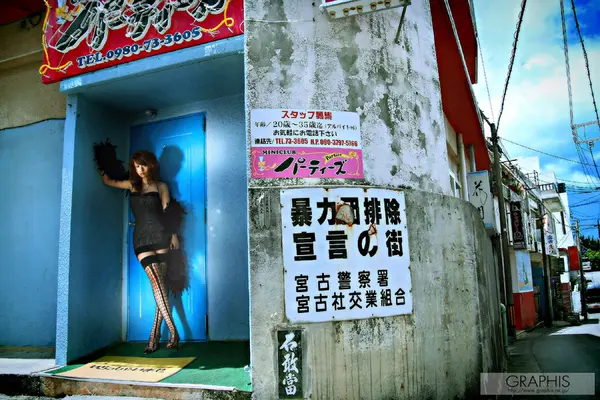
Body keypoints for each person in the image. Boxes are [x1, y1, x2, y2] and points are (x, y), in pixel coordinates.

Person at [99, 150, 180, 354]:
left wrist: (173, 235)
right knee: (156, 281)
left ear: (151, 165)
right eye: (136, 166)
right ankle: (173, 331)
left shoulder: (161, 186)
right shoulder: (131, 185)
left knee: (160, 285)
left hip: (161, 236)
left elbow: (168, 212)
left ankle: (153, 336)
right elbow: (108, 181)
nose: (140, 169)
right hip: (141, 239)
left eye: (143, 165)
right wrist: (103, 161)